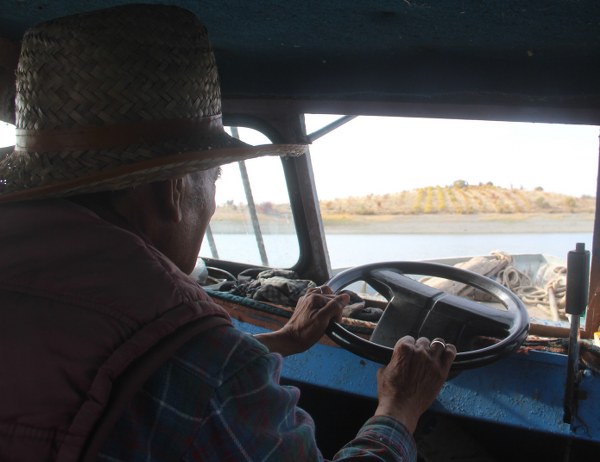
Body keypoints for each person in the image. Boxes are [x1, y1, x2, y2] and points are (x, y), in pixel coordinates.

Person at [0, 5, 456, 461]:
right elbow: (187, 381)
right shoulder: (212, 368)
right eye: (214, 180)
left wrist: (282, 341)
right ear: (172, 190)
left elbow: (127, 371)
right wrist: (399, 409)